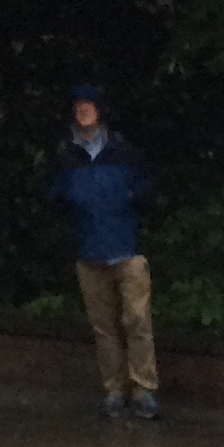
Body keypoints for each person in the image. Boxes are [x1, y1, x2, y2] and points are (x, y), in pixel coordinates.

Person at [49, 82, 159, 422]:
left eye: (89, 105)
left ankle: (143, 389)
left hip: (127, 251)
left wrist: (131, 201)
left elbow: (147, 190)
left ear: (100, 111)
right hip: (89, 253)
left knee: (137, 321)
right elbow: (53, 194)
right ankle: (115, 390)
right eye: (78, 106)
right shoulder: (66, 156)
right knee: (104, 328)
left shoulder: (124, 151)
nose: (83, 111)